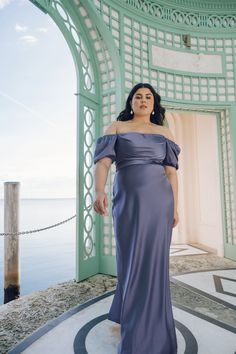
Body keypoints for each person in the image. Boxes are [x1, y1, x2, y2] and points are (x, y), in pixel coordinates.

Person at [93, 82, 181, 354]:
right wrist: (99, 190)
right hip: (128, 201)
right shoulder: (117, 128)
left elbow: (170, 173)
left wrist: (175, 207)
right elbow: (103, 163)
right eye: (138, 97)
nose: (143, 100)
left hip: (159, 202)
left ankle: (150, 328)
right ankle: (131, 316)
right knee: (130, 259)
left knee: (155, 263)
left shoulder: (164, 132)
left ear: (154, 104)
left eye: (148, 97)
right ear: (131, 102)